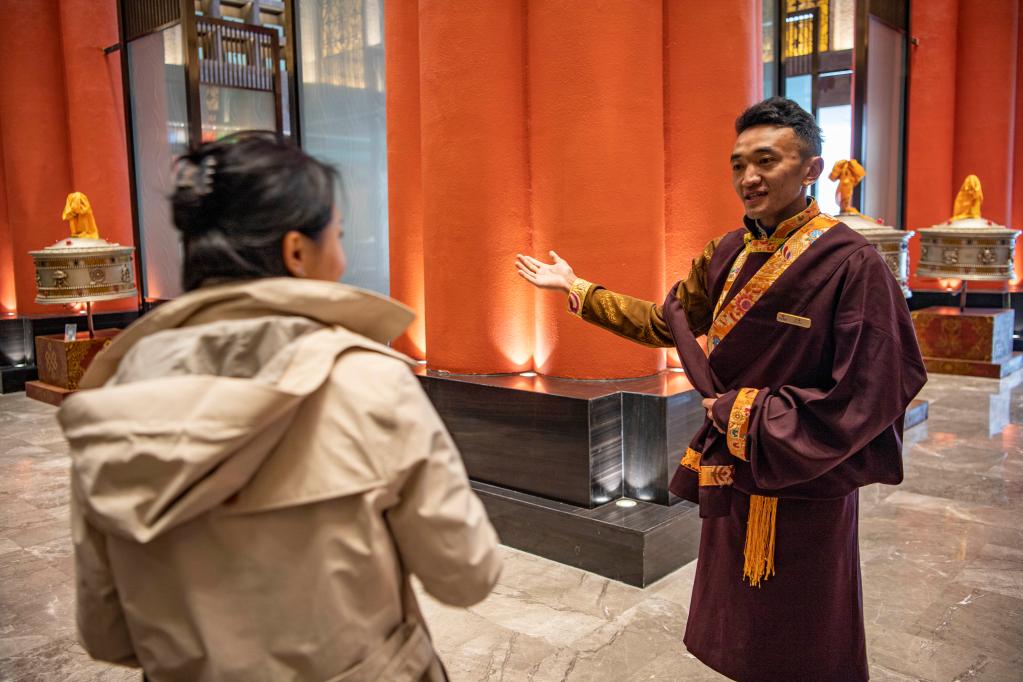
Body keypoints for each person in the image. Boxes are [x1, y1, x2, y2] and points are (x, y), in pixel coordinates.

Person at [58, 132, 501, 682]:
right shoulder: (369, 382)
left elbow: (106, 633)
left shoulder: (112, 397)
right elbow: (467, 574)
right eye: (337, 236)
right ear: (296, 251)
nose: (342, 256)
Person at [516, 97, 926, 681]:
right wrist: (577, 288)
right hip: (736, 462)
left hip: (806, 467)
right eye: (738, 164)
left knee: (806, 618)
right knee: (739, 614)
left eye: (766, 161)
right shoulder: (726, 253)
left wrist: (752, 414)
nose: (748, 177)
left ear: (811, 169)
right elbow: (668, 324)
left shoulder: (853, 262)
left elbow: (877, 383)